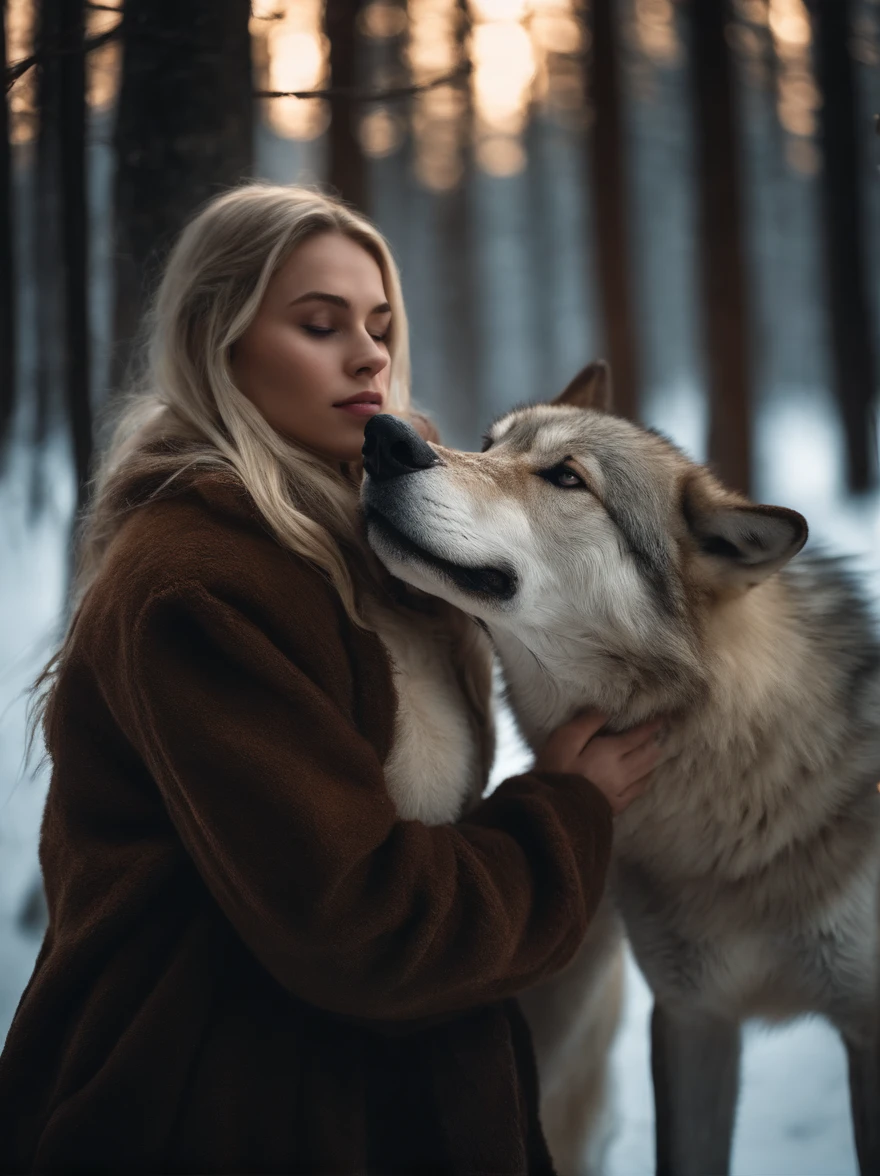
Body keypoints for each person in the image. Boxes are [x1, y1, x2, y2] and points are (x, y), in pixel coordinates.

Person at [0, 184, 661, 1174]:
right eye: (320, 324)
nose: (368, 356)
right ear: (215, 342)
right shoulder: (199, 587)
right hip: (221, 1111)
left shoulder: (375, 540)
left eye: (380, 324)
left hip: (380, 1099)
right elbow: (365, 926)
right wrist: (562, 814)